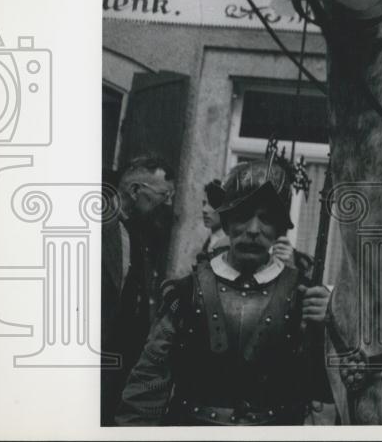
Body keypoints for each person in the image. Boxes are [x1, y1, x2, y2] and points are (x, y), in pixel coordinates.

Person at [115, 157, 333, 426]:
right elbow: (148, 384)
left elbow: (323, 391)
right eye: (243, 216)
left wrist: (326, 328)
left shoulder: (303, 296)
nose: (253, 230)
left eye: (266, 219)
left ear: (278, 229)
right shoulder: (185, 294)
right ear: (227, 222)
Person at [101, 155, 176, 425]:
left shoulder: (142, 234)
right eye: (163, 195)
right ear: (135, 191)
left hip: (123, 368)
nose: (167, 204)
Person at [197, 179, 230, 262]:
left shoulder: (227, 245)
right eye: (204, 204)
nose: (204, 210)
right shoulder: (211, 240)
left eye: (212, 204)